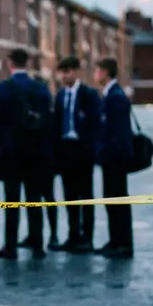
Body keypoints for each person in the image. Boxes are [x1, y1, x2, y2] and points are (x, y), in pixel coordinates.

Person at [0, 48, 54, 260]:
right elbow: (48, 120)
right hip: (35, 152)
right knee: (34, 199)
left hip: (11, 153)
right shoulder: (40, 88)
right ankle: (37, 244)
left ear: (10, 63)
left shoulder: (3, 89)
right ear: (27, 64)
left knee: (12, 201)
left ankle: (11, 246)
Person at [53, 56, 102, 253]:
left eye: (68, 72)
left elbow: (95, 123)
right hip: (66, 149)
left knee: (86, 195)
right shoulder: (59, 96)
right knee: (69, 195)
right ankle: (73, 235)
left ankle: (87, 237)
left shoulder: (89, 94)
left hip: (83, 150)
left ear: (76, 72)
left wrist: (91, 148)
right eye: (62, 72)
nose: (65, 76)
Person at [94, 58, 135, 259]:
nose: (95, 74)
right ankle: (116, 240)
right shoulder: (112, 94)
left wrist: (106, 154)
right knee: (113, 201)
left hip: (115, 159)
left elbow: (117, 132)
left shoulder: (115, 97)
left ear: (105, 72)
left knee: (116, 201)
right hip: (113, 158)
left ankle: (122, 243)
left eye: (97, 70)